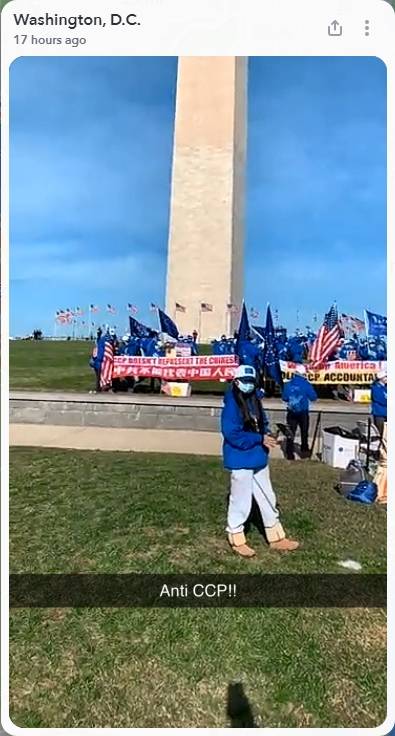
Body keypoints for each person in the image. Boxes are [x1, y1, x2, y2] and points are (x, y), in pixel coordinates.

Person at [221, 364, 299, 557]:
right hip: (241, 458)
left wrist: (268, 435)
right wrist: (259, 438)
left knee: (267, 496)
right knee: (241, 500)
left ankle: (276, 536)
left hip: (258, 456)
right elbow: (232, 434)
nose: (248, 385)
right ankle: (236, 536)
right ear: (236, 381)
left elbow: (261, 423)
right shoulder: (232, 404)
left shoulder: (255, 400)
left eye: (251, 381)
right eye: (245, 381)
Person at [281, 365, 317, 460]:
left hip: (291, 411)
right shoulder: (306, 384)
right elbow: (313, 397)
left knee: (290, 432)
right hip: (303, 411)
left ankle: (289, 454)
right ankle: (304, 451)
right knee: (304, 432)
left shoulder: (288, 384)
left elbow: (284, 398)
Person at [371, 369, 387, 436]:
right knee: (380, 433)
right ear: (381, 378)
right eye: (385, 377)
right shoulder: (376, 387)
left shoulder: (385, 387)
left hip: (385, 412)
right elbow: (380, 399)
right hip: (380, 413)